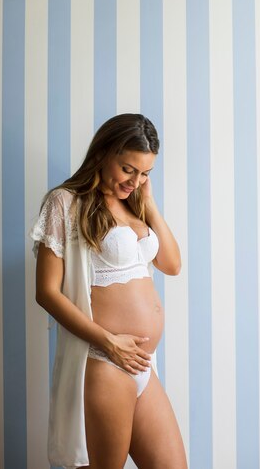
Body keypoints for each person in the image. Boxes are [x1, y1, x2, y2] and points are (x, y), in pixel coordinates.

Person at [30, 113, 188, 469]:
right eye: (129, 169)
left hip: (143, 367)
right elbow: (47, 292)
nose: (136, 180)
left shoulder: (135, 204)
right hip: (106, 361)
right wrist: (108, 342)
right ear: (103, 153)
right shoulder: (65, 203)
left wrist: (149, 202)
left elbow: (172, 264)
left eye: (146, 173)